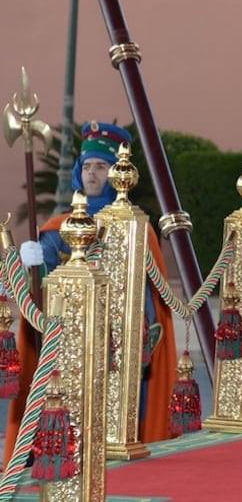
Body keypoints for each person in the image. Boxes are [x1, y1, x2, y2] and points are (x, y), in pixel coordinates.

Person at [6, 121, 178, 459]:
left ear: (116, 173)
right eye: (87, 166)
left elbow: (150, 299)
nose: (93, 174)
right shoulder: (60, 227)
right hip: (72, 340)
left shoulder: (137, 229)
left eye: (101, 166)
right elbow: (47, 280)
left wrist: (142, 339)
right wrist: (33, 259)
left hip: (121, 345)